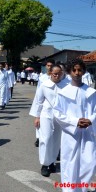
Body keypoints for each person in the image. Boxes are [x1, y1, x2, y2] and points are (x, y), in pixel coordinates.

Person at [53, 58, 96, 192]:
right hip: (70, 134)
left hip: (88, 132)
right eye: (74, 70)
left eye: (80, 70)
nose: (77, 73)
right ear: (69, 72)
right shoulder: (63, 92)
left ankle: (82, 189)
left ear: (83, 71)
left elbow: (95, 110)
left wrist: (91, 120)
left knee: (89, 163)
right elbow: (57, 112)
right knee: (70, 163)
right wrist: (75, 122)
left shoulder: (90, 92)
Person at [34, 65, 68, 177]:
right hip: (46, 115)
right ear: (50, 73)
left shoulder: (66, 86)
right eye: (55, 73)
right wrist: (37, 117)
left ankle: (52, 162)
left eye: (59, 73)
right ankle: (44, 164)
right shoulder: (44, 86)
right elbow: (38, 102)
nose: (57, 76)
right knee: (46, 139)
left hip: (60, 117)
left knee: (56, 140)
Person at [29, 58, 55, 147]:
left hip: (49, 102)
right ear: (46, 66)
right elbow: (38, 90)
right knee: (38, 119)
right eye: (48, 66)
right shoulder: (42, 77)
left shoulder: (55, 76)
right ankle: (38, 137)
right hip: (41, 100)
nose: (50, 67)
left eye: (51, 66)